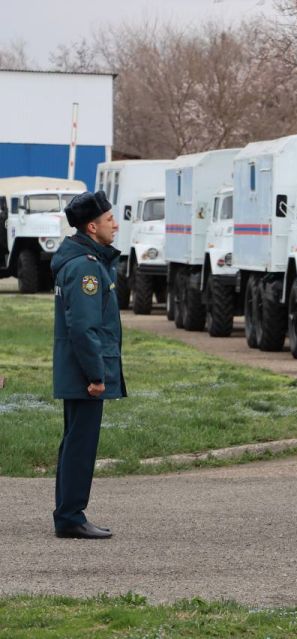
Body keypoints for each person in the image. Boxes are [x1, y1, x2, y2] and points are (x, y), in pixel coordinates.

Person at [51, 190, 126, 539]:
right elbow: (83, 327)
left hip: (78, 370)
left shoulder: (85, 261)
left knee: (74, 441)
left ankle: (68, 512)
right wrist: (97, 375)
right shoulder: (86, 269)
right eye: (110, 220)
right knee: (80, 445)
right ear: (92, 227)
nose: (116, 225)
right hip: (85, 374)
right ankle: (70, 516)